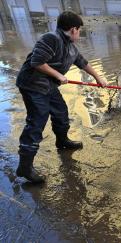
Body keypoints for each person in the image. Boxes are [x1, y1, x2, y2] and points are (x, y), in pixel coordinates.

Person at [15, 11, 107, 183]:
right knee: (37, 121)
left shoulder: (70, 46)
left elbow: (82, 62)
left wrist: (98, 78)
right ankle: (25, 166)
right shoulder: (51, 39)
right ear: (73, 29)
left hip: (48, 86)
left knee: (61, 113)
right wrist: (58, 75)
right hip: (33, 85)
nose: (79, 34)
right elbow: (37, 62)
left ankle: (62, 141)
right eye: (79, 30)